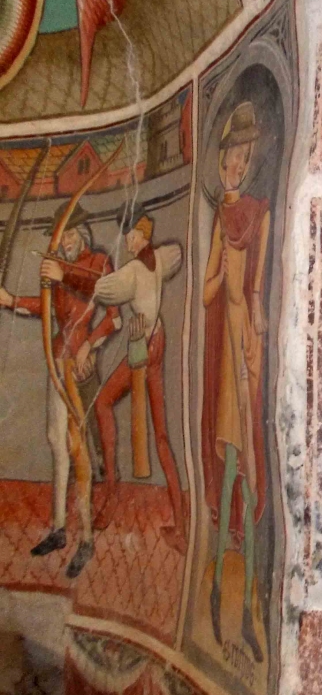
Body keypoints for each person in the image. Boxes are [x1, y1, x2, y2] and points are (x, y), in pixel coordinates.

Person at [0, 200, 120, 577]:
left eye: (69, 234)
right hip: (57, 364)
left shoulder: (96, 262)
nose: (65, 241)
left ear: (80, 233)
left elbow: (112, 313)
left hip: (79, 368)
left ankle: (86, 539)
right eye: (60, 236)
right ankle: (58, 528)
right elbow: (46, 306)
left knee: (78, 449)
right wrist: (11, 300)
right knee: (57, 442)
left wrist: (90, 345)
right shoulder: (58, 267)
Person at [202, 102, 270, 664]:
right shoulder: (219, 220)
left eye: (245, 159)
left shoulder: (259, 214)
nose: (238, 167)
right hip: (222, 353)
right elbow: (206, 292)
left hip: (246, 346)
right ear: (221, 158)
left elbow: (259, 294)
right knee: (228, 462)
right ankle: (218, 581)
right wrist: (222, 269)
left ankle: (247, 602)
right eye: (232, 157)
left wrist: (254, 329)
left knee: (247, 462)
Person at [92, 205, 187, 553]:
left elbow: (103, 290)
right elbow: (175, 255)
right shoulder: (158, 259)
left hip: (143, 348)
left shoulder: (133, 270)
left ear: (143, 234)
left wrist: (72, 277)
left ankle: (111, 493)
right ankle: (181, 523)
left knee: (102, 403)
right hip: (156, 339)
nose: (127, 242)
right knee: (161, 436)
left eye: (130, 235)